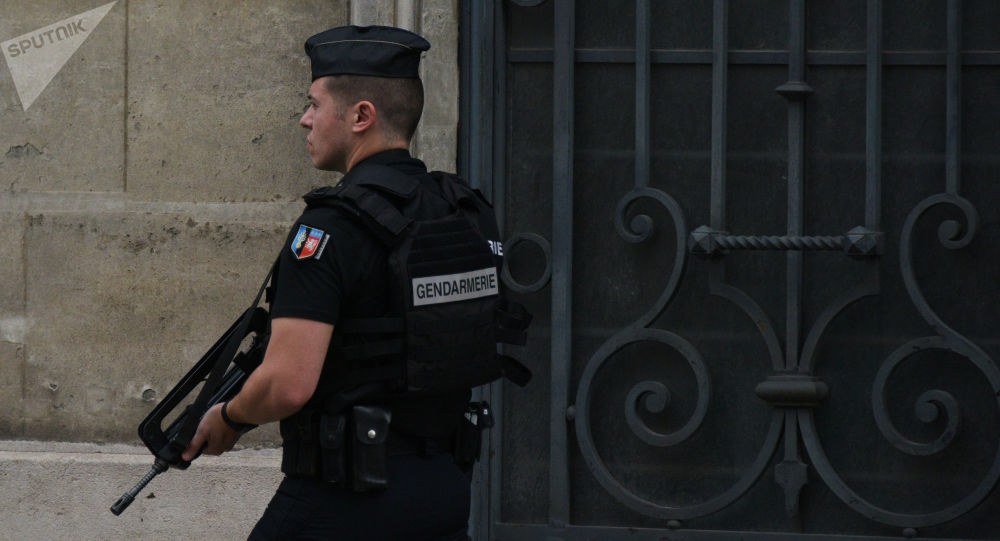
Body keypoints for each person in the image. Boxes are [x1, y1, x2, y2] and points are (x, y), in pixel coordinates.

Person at [181, 25, 491, 540]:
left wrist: (230, 418)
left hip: (344, 499)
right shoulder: (460, 213)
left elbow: (287, 383)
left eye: (314, 104)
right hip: (446, 491)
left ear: (361, 116)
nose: (305, 119)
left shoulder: (330, 227)